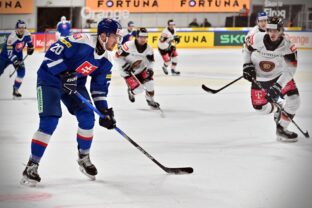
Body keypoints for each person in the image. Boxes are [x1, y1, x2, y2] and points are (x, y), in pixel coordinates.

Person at [20, 18, 122, 186]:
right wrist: (64, 73)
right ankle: (32, 165)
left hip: (74, 86)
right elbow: (53, 52)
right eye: (114, 37)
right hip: (50, 79)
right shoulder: (82, 41)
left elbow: (99, 89)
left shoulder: (106, 61)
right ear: (103, 36)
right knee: (50, 121)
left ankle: (84, 157)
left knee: (88, 116)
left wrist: (104, 111)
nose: (116, 41)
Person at [242, 16, 300, 142]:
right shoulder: (256, 39)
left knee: (294, 100)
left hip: (279, 76)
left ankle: (282, 129)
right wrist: (246, 65)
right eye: (269, 30)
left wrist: (279, 85)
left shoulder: (288, 46)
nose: (272, 34)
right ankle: (277, 106)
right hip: (259, 78)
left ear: (281, 30)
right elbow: (246, 49)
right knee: (260, 109)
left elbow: (291, 69)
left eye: (275, 30)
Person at [116, 28, 159, 109]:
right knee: (139, 90)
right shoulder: (128, 45)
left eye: (145, 37)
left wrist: (150, 69)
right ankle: (131, 91)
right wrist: (125, 65)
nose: (143, 39)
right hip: (127, 72)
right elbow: (116, 57)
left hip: (141, 69)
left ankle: (150, 100)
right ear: (136, 37)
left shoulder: (149, 48)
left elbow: (151, 61)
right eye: (141, 37)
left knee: (150, 85)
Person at [0, 20, 34, 98]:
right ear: (16, 28)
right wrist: (15, 60)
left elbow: (30, 44)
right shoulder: (12, 37)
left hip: (18, 56)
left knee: (22, 72)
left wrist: (31, 48)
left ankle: (15, 90)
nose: (21, 29)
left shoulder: (27, 34)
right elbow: (9, 53)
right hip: (5, 57)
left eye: (23, 27)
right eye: (19, 28)